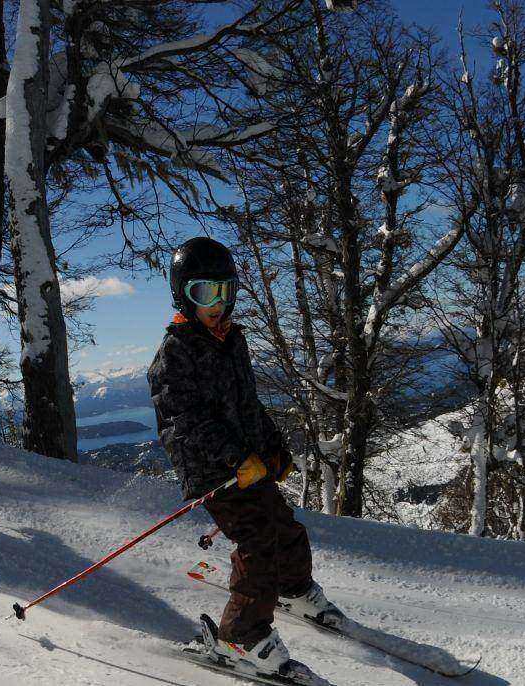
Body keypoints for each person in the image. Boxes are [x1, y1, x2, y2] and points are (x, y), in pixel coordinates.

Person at [147, 237, 342, 677]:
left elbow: (248, 405)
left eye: (224, 292)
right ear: (184, 295)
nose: (216, 304)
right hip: (212, 470)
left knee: (284, 526)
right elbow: (184, 420)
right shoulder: (175, 353)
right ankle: (242, 634)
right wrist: (235, 458)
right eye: (204, 293)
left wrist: (273, 448)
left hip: (247, 464)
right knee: (258, 540)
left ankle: (293, 588)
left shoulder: (231, 340)